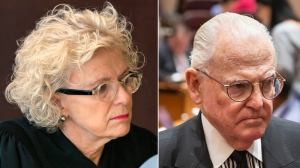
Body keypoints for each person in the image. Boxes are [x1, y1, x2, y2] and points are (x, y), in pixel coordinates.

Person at [1, 3, 157, 168]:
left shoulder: (145, 147)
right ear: (57, 102)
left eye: (125, 80)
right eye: (102, 88)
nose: (125, 98)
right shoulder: (14, 150)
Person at [159, 12, 300, 168]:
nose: (259, 103)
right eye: (239, 86)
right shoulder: (158, 157)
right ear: (196, 85)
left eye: (267, 83)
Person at [256, 0, 300, 122]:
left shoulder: (282, 31)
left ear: (271, 8)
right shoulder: (296, 25)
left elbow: (282, 75)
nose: (259, 14)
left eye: (260, 8)